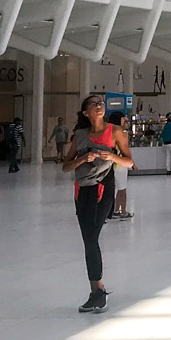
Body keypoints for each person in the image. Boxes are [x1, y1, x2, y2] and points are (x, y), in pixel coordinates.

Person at [64, 96, 132, 312]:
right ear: (85, 113)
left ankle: (98, 290)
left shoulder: (115, 132)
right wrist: (84, 159)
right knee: (88, 239)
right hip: (83, 190)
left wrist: (111, 156)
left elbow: (129, 161)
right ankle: (96, 290)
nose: (99, 106)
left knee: (91, 236)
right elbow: (66, 166)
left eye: (101, 103)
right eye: (93, 104)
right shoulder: (80, 136)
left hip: (104, 187)